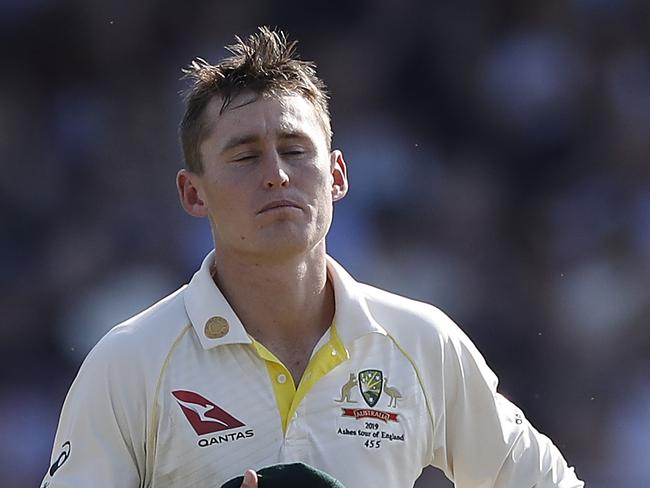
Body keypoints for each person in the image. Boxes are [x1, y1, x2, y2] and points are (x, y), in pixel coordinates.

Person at [42, 26, 584, 488]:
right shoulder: (129, 362)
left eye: (296, 151)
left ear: (338, 175)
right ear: (192, 193)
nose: (276, 173)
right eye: (244, 156)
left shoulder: (422, 343)